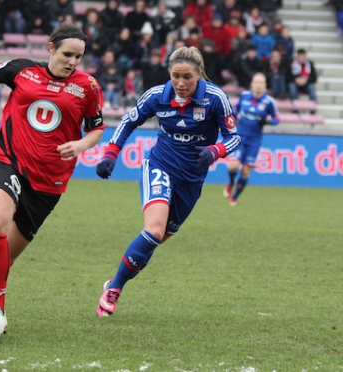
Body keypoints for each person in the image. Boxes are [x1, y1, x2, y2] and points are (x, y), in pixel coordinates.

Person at [0, 23, 105, 323]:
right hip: (9, 160)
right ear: (51, 48)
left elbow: (96, 128)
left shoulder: (88, 87)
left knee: (4, 259)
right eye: (67, 54)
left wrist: (82, 144)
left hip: (49, 181)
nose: (72, 62)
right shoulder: (22, 70)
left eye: (78, 57)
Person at [94, 46, 241, 317]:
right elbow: (128, 121)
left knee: (156, 240)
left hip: (192, 180)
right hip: (160, 166)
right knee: (154, 230)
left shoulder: (215, 98)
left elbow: (234, 136)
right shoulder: (156, 96)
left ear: (199, 74)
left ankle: (115, 280)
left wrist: (215, 150)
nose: (181, 83)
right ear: (169, 74)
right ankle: (114, 289)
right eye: (176, 76)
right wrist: (111, 153)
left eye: (188, 77)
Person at [224, 73, 280, 205]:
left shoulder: (269, 102)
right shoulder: (244, 96)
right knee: (233, 166)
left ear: (265, 85)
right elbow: (236, 109)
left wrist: (267, 121)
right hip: (240, 137)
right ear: (252, 84)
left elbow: (277, 119)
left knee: (245, 171)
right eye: (256, 82)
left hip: (254, 141)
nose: (258, 85)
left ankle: (235, 197)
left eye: (261, 82)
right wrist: (234, 115)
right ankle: (231, 183)